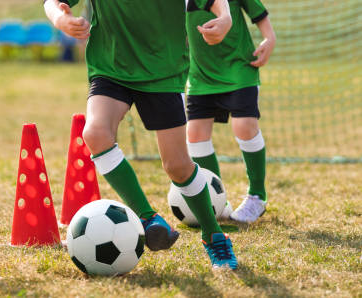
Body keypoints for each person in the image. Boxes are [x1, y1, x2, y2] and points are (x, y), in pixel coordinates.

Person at [44, 0, 237, 269]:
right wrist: (60, 19)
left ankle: (214, 234)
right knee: (96, 134)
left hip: (162, 72)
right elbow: (53, 2)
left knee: (178, 167)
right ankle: (148, 218)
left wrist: (225, 17)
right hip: (110, 68)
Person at [185, 0, 275, 223]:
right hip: (200, 73)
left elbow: (258, 13)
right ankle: (217, 199)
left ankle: (257, 196)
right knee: (195, 133)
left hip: (239, 67)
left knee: (244, 126)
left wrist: (269, 38)